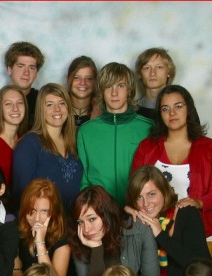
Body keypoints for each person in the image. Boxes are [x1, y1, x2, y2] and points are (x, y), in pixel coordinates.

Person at [131, 85, 212, 238]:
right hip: (154, 231)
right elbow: (134, 190)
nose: (172, 113)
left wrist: (198, 203)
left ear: (189, 109)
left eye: (178, 106)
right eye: (165, 108)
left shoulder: (210, 148)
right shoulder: (146, 147)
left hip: (201, 229)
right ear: (160, 114)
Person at [69, 185, 159, 276]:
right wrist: (96, 248)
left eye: (92, 219)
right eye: (81, 222)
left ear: (106, 214)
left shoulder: (139, 229)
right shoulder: (78, 239)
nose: (86, 229)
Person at [78, 62, 153, 206]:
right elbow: (84, 180)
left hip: (139, 209)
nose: (114, 93)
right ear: (101, 91)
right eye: (109, 86)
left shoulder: (147, 128)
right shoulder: (86, 131)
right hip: (100, 210)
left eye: (120, 86)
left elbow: (155, 177)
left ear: (129, 90)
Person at [12, 179, 79, 276]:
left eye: (44, 211)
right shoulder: (16, 229)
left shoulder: (62, 233)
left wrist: (40, 243)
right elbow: (15, 271)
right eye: (32, 211)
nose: (37, 218)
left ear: (52, 212)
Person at [11, 83, 83, 213]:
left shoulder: (75, 142)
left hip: (74, 221)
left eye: (62, 103)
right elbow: (21, 195)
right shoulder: (29, 144)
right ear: (41, 110)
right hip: (43, 222)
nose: (57, 109)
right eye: (50, 105)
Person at [134, 48, 176, 120]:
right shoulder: (131, 111)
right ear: (140, 74)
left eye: (159, 67)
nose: (152, 73)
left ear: (169, 72)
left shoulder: (182, 108)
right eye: (147, 68)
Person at [66, 56, 99, 128]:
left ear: (95, 81)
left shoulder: (103, 112)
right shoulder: (58, 110)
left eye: (88, 78)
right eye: (77, 78)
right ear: (68, 79)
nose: (82, 83)